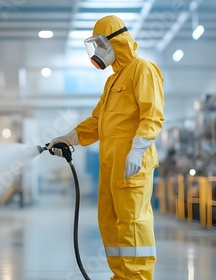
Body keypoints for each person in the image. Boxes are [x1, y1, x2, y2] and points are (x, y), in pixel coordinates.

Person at [48, 15, 165, 280]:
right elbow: (97, 122)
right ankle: (121, 276)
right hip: (111, 164)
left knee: (132, 222)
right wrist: (69, 137)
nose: (97, 51)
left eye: (100, 43)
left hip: (132, 162)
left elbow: (152, 115)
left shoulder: (142, 69)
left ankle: (137, 277)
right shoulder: (112, 81)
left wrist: (138, 149)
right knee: (110, 223)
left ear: (116, 41)